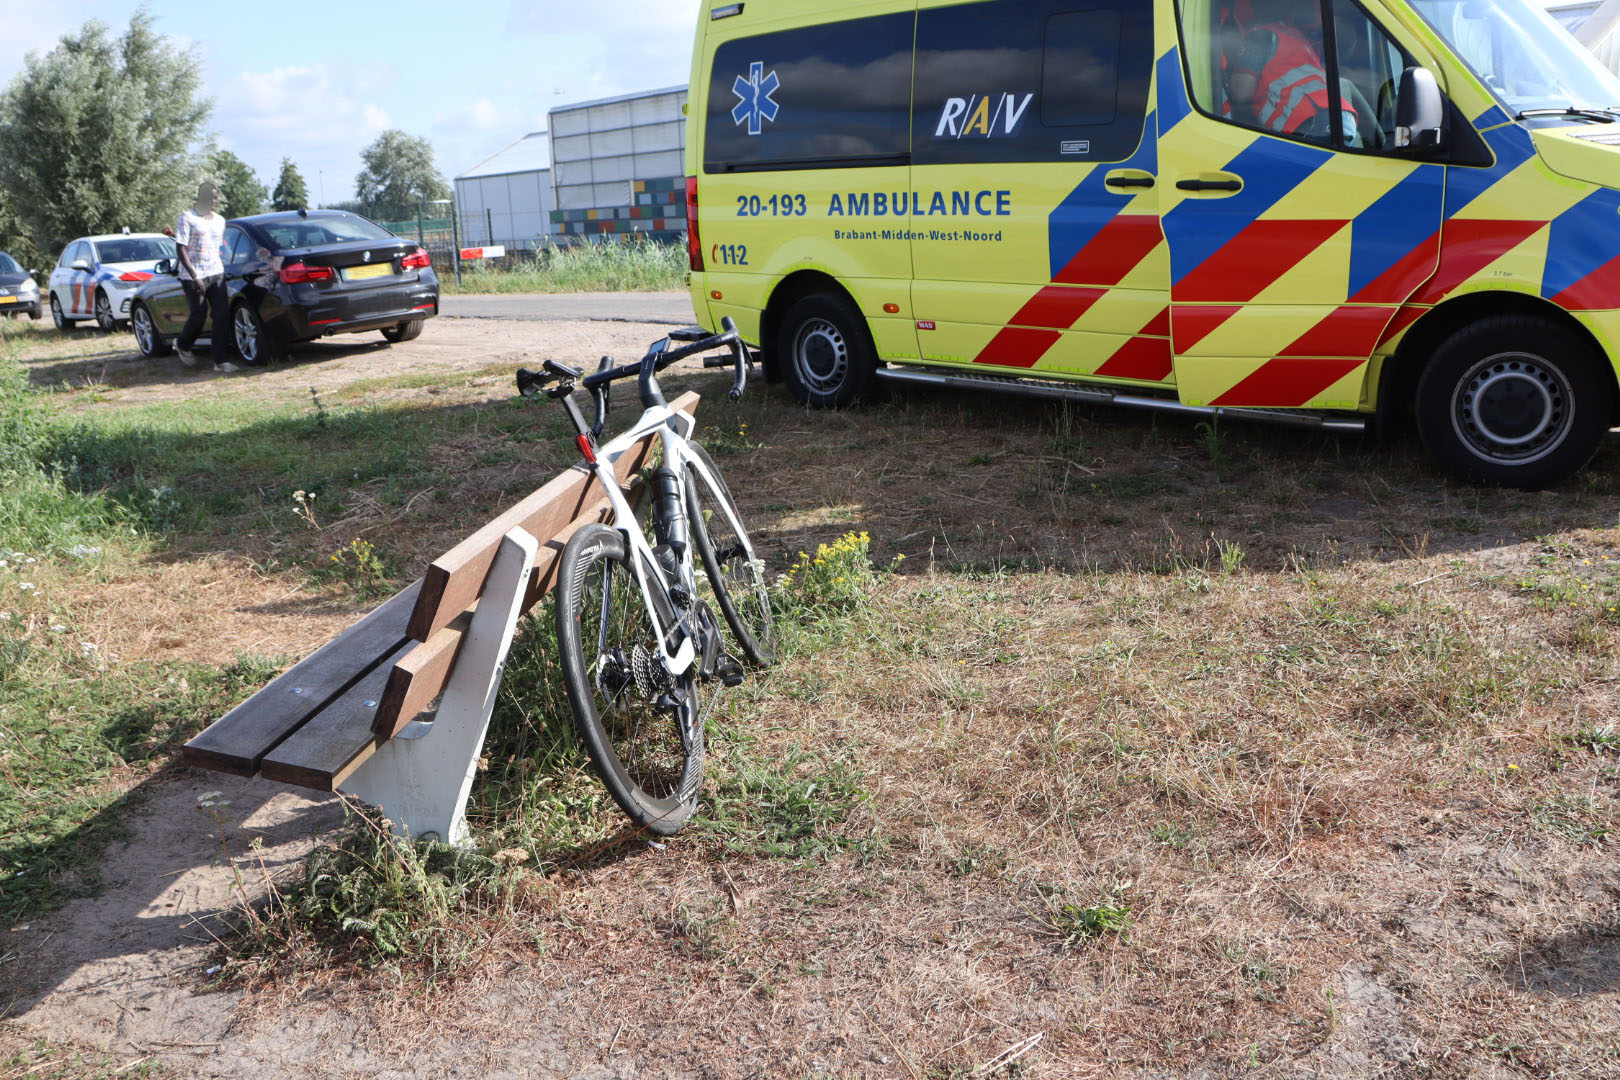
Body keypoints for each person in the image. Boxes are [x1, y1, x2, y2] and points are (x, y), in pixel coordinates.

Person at [1227, 0, 1358, 144]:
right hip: (1342, 118)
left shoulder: (1259, 36)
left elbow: (1241, 92)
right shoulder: (1295, 37)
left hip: (1308, 120)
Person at [173, 181, 236, 372]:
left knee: (221, 315)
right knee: (198, 315)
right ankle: (183, 345)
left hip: (216, 272)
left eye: (216, 197)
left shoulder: (220, 220)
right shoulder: (187, 218)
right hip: (193, 275)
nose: (213, 201)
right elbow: (180, 248)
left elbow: (218, 246)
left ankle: (220, 361)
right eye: (210, 196)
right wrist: (194, 276)